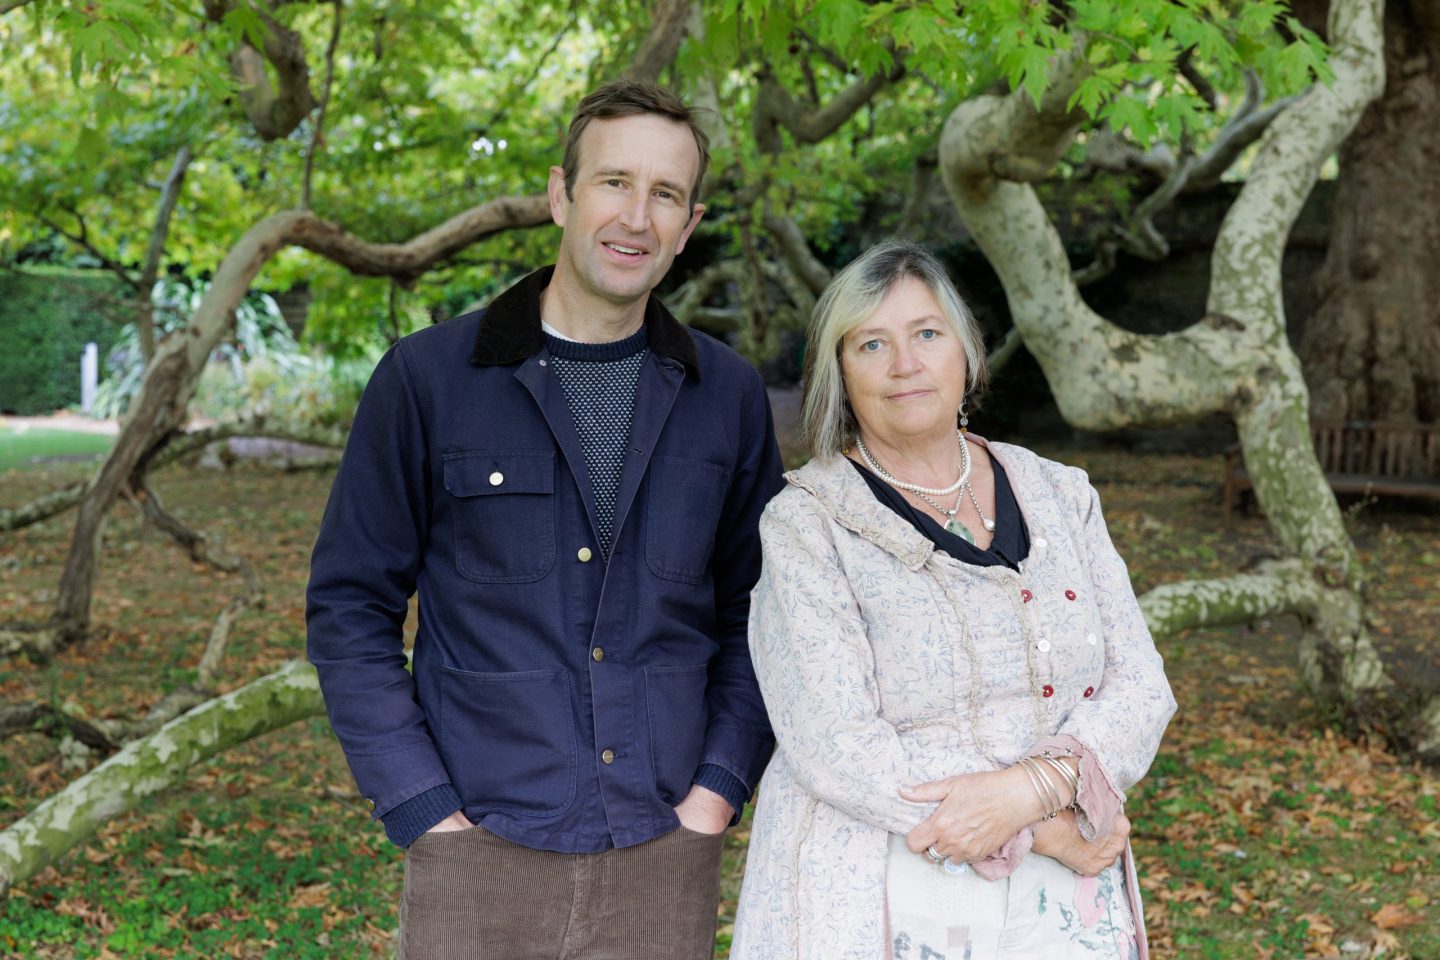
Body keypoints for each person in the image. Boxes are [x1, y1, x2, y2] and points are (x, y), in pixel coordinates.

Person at [306, 80, 784, 960]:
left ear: (689, 224)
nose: (635, 217)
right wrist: (421, 807)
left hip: (663, 847)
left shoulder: (728, 397)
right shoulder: (427, 379)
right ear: (562, 195)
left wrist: (716, 791)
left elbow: (762, 615)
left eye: (665, 194)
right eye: (614, 182)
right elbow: (349, 607)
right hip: (477, 851)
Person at [731, 240, 1177, 960]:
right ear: (840, 373)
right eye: (872, 344)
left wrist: (1035, 789)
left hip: (1064, 899)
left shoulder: (1062, 494)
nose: (904, 364)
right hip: (885, 885)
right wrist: (1040, 830)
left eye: (927, 334)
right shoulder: (807, 524)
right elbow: (835, 742)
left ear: (966, 353)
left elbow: (1142, 685)